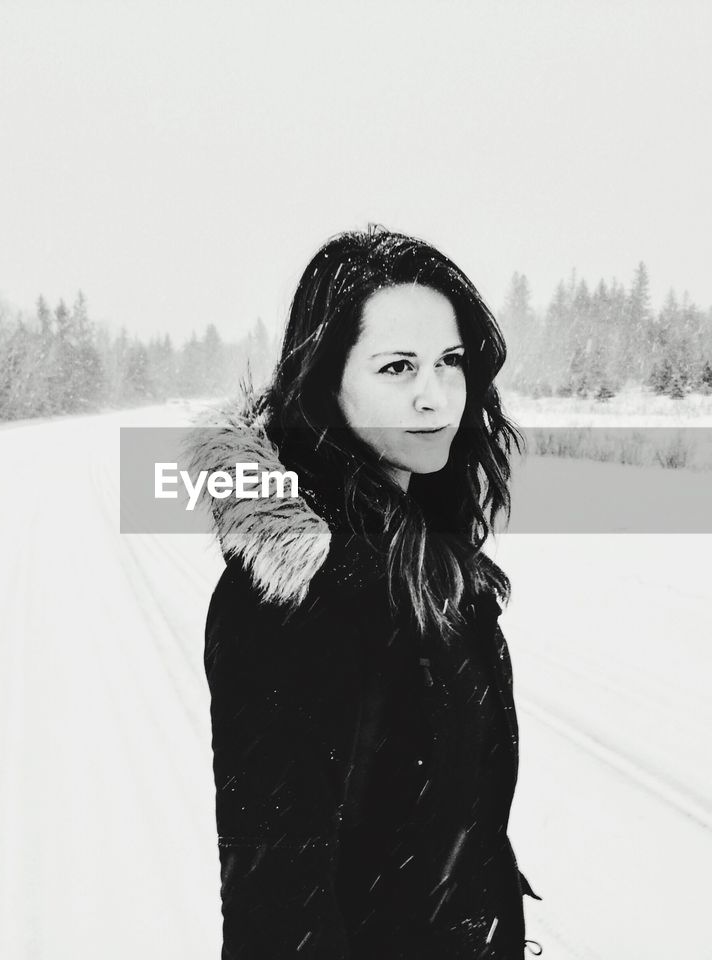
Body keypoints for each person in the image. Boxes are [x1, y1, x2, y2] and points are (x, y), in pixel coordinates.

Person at [184, 226, 543, 958]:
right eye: (396, 367)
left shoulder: (421, 555)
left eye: (450, 363)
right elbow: (278, 905)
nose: (433, 397)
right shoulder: (293, 596)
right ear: (327, 380)